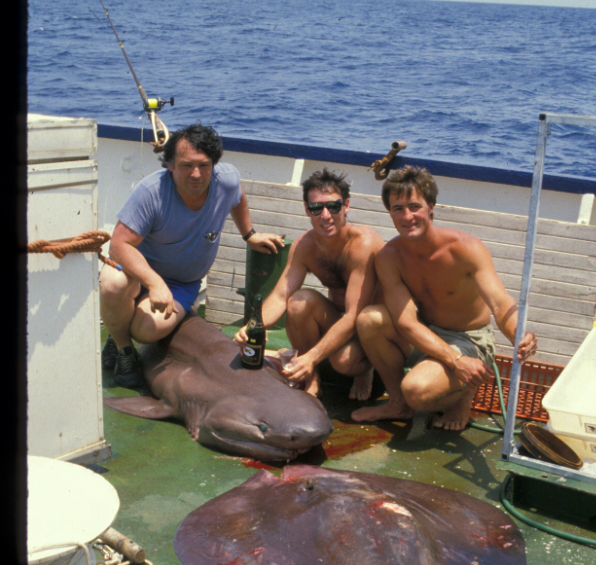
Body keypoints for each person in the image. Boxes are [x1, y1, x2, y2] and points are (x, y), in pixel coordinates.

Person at [350, 165, 538, 431]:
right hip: (427, 333)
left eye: (415, 206)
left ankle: (463, 396)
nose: (407, 216)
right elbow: (406, 324)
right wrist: (454, 360)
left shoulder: (465, 248)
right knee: (369, 319)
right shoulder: (389, 257)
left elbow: (499, 302)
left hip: (468, 338)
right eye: (398, 209)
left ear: (431, 206)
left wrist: (519, 333)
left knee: (416, 390)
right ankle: (398, 404)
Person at [99, 124, 285, 388]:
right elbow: (118, 246)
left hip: (182, 284)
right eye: (186, 165)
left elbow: (238, 196)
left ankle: (118, 323)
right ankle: (124, 349)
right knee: (111, 282)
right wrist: (154, 283)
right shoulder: (151, 192)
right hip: (139, 275)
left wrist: (249, 234)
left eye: (204, 165)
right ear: (170, 165)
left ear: (214, 165)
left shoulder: (227, 179)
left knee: (148, 331)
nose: (196, 174)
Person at [234, 168, 384, 399]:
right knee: (298, 302)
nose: (325, 215)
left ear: (346, 206)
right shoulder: (305, 246)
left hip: (370, 326)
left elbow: (354, 316)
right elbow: (281, 296)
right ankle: (312, 379)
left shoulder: (364, 244)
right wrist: (255, 326)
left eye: (333, 206)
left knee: (344, 362)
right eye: (316, 208)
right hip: (337, 316)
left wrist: (312, 355)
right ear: (307, 210)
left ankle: (366, 368)